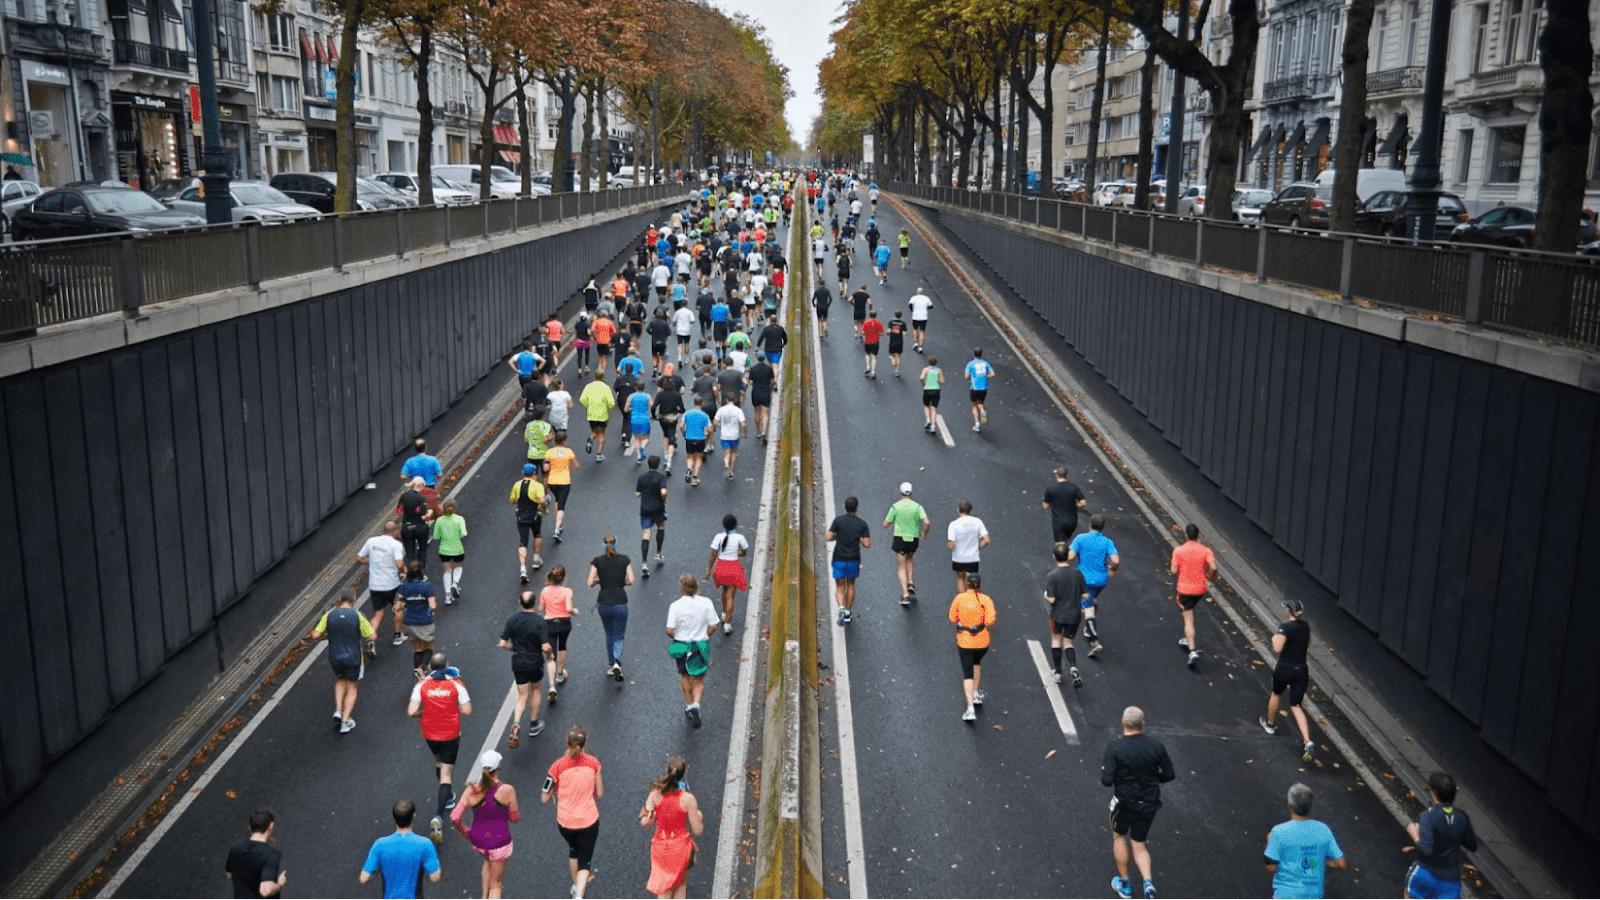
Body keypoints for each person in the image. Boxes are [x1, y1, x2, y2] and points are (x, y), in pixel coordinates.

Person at [1102, 706, 1175, 900]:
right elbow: (1169, 774)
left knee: (1119, 837)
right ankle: (1148, 883)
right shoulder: (1156, 746)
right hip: (1149, 802)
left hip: (1124, 803)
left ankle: (1125, 885)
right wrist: (1150, 780)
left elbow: (1106, 780)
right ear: (1142, 724)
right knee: (1139, 843)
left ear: (1123, 722)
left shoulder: (1115, 748)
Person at [408, 652, 473, 843]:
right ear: (446, 666)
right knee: (447, 774)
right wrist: (453, 708)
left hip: (429, 733)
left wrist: (424, 714)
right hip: (450, 733)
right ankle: (438, 814)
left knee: (438, 760)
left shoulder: (421, 685)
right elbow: (467, 710)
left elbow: (411, 711)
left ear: (429, 667)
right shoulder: (455, 685)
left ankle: (449, 796)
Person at [543, 726, 604, 899]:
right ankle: (579, 895)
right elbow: (599, 793)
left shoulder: (556, 767)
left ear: (567, 744)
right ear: (584, 745)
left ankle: (576, 886)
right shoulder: (593, 763)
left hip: (565, 822)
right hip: (588, 821)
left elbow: (544, 797)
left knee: (573, 851)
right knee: (584, 862)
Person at [451, 750, 520, 900]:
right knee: (496, 884)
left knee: (488, 861)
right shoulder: (507, 790)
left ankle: (484, 897)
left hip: (479, 842)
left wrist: (465, 832)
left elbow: (455, 817)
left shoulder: (472, 790)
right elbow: (515, 818)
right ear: (498, 769)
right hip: (499, 843)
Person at [1263, 783, 1346, 900]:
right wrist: (1320, 861)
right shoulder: (1323, 830)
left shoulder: (1278, 832)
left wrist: (1270, 842)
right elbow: (1341, 863)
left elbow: (1270, 867)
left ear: (1290, 805)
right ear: (1310, 806)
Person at [1259, 598, 1317, 762]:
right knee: (1296, 705)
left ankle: (1270, 725)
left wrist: (1274, 639)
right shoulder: (1305, 626)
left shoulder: (1284, 628)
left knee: (1276, 694)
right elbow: (1308, 642)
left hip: (1285, 668)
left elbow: (1277, 648)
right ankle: (1307, 741)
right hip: (1301, 670)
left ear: (1288, 612)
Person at [1405, 772, 1478, 900]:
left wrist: (1415, 835)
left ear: (1433, 794)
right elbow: (1472, 845)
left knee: (1409, 895)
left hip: (1426, 874)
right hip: (1450, 881)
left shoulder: (1428, 816)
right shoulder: (1462, 818)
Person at [640, 757, 704, 900]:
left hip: (661, 849)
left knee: (664, 890)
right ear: (683, 774)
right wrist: (698, 815)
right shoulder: (688, 799)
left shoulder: (655, 794)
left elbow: (645, 821)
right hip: (681, 850)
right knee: (681, 885)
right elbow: (698, 830)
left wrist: (649, 812)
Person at [310, 592, 372, 733]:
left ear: (339, 600)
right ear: (354, 599)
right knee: (352, 686)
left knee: (340, 679)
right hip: (353, 657)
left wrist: (329, 635)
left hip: (335, 657)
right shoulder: (357, 615)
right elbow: (372, 635)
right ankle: (345, 720)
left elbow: (315, 635)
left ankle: (338, 709)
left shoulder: (330, 614)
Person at [361, 798, 442, 899]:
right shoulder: (425, 844)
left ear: (394, 817)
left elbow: (364, 878)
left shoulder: (380, 845)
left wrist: (378, 870)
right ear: (414, 816)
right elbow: (435, 878)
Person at [666, 574, 720, 728]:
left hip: (682, 644)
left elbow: (669, 630)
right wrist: (705, 635)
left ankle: (689, 705)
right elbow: (714, 625)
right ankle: (696, 704)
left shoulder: (675, 606)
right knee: (698, 679)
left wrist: (676, 636)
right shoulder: (707, 602)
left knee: (684, 675)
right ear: (696, 587)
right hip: (700, 644)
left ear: (682, 588)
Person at [499, 590, 548, 749]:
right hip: (535, 662)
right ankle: (534, 724)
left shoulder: (512, 620)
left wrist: (516, 649)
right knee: (536, 690)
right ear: (534, 603)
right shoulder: (539, 622)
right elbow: (546, 646)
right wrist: (550, 654)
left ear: (520, 602)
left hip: (519, 662)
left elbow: (502, 643)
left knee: (522, 696)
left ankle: (516, 722)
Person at [1069, 515, 1120, 658]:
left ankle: (1094, 641)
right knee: (1091, 600)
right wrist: (1113, 568)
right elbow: (1115, 560)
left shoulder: (1080, 538)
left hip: (1084, 579)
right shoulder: (1107, 542)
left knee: (1088, 607)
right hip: (1101, 580)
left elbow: (1071, 556)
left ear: (1090, 525)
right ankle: (1088, 626)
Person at [948, 573, 997, 722]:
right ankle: (975, 693)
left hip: (965, 642)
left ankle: (970, 709)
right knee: (977, 663)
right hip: (982, 642)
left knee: (967, 673)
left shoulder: (960, 599)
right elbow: (990, 620)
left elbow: (952, 618)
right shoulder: (985, 600)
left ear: (968, 584)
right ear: (980, 585)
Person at [589, 534, 636, 682]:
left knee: (609, 633)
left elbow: (590, 582)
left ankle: (611, 664)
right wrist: (619, 582)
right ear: (616, 544)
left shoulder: (597, 561)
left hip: (604, 603)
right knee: (619, 635)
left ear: (603, 546)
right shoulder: (625, 560)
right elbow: (631, 580)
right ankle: (617, 661)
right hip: (620, 602)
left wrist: (600, 581)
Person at [1170, 524, 1217, 669]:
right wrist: (1208, 576)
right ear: (1198, 536)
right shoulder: (1206, 550)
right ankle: (1187, 638)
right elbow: (1214, 567)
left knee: (1188, 618)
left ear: (1186, 535)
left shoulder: (1179, 550)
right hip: (1200, 589)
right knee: (1189, 612)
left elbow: (1173, 570)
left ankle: (1192, 651)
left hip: (1184, 590)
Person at [357, 521, 407, 654]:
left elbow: (358, 558)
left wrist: (372, 562)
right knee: (398, 608)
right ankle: (397, 636)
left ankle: (370, 639)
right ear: (395, 531)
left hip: (375, 585)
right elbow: (399, 564)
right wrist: (405, 570)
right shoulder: (396, 545)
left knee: (379, 612)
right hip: (392, 584)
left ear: (383, 530)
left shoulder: (371, 541)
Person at [1044, 542, 1088, 687]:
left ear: (1054, 557)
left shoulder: (1052, 576)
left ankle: (1057, 672)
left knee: (1056, 640)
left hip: (1057, 615)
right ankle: (1073, 666)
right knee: (1068, 642)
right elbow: (1086, 595)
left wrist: (1045, 595)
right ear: (1068, 557)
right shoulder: (1077, 573)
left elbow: (1051, 599)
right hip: (1074, 616)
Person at [826, 496, 872, 625]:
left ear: (845, 507)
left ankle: (840, 607)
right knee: (851, 584)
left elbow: (828, 537)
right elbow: (867, 544)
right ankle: (847, 612)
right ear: (856, 508)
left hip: (839, 558)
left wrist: (838, 536)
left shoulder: (838, 521)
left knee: (840, 585)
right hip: (853, 559)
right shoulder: (862, 524)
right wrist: (860, 539)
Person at [883, 482, 931, 606]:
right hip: (913, 538)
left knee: (901, 566)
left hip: (900, 538)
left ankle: (905, 595)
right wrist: (924, 533)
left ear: (901, 492)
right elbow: (926, 522)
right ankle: (911, 582)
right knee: (910, 558)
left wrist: (890, 523)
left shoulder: (896, 506)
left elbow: (886, 523)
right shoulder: (917, 507)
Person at [226, 809, 285, 899]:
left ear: (250, 827)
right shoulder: (271, 854)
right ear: (271, 827)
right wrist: (280, 884)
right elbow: (265, 891)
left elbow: (229, 873)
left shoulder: (236, 847)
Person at [705, 513, 749, 635]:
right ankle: (727, 624)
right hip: (733, 568)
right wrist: (738, 554)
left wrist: (709, 568)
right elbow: (744, 553)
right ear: (735, 525)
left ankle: (724, 614)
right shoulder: (740, 538)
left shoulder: (718, 537)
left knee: (724, 591)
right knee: (731, 595)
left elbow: (714, 554)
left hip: (721, 568)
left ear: (724, 525)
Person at [541, 566, 576, 704]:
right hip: (564, 623)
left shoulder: (545, 590)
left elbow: (540, 608)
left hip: (549, 624)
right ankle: (560, 674)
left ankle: (551, 686)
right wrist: (575, 611)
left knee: (551, 655)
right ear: (563, 578)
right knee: (562, 646)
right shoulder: (567, 591)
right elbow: (568, 608)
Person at [397, 561, 438, 680]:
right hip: (424, 621)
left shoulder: (404, 587)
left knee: (417, 649)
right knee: (429, 647)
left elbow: (398, 606)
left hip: (409, 622)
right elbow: (433, 605)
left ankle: (418, 674)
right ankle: (421, 669)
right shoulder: (427, 586)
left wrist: (407, 604)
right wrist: (431, 611)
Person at [509, 464, 548, 583]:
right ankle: (536, 558)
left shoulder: (517, 485)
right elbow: (541, 500)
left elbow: (512, 500)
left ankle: (523, 569)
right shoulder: (538, 486)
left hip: (521, 516)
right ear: (535, 474)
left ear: (523, 473)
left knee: (523, 541)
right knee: (537, 534)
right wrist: (544, 506)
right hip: (535, 515)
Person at [946, 500, 991, 594]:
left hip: (959, 558)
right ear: (971, 511)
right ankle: (972, 601)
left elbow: (951, 545)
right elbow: (986, 539)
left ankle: (962, 601)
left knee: (960, 578)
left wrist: (951, 547)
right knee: (971, 580)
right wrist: (980, 545)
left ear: (958, 510)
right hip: (973, 558)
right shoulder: (977, 522)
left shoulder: (953, 524)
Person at [637, 455, 670, 574]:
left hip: (645, 509)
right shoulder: (660, 477)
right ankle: (658, 553)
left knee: (646, 534)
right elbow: (663, 491)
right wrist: (664, 499)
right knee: (660, 527)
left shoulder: (642, 478)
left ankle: (644, 563)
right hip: (658, 508)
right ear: (658, 465)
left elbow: (637, 493)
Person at [432, 498, 467, 606]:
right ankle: (455, 584)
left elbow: (435, 536)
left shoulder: (439, 520)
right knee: (458, 566)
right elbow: (464, 533)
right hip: (457, 548)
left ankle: (448, 595)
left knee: (447, 570)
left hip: (444, 549)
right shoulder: (459, 519)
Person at [545, 431, 578, 542]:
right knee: (562, 506)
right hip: (564, 481)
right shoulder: (569, 452)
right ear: (564, 441)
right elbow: (576, 465)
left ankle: (560, 524)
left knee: (558, 500)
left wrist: (553, 465)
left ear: (555, 440)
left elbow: (545, 468)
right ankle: (556, 530)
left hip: (552, 482)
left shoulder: (549, 452)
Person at [652, 368, 685, 475]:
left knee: (665, 435)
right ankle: (669, 462)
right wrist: (678, 411)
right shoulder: (676, 395)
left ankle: (666, 454)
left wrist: (654, 416)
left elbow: (653, 406)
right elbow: (682, 408)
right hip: (673, 418)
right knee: (671, 437)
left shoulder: (660, 395)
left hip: (662, 418)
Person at [1042, 467, 1088, 545]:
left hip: (1059, 522)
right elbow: (1083, 503)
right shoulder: (1074, 487)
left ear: (1057, 475)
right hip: (1072, 522)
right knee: (1065, 541)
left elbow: (1045, 506)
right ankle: (1065, 553)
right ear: (1067, 475)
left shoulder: (1051, 489)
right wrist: (1076, 505)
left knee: (1060, 545)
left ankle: (1063, 555)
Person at [579, 372, 616, 462]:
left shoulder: (588, 386)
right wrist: (609, 409)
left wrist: (588, 406)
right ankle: (599, 454)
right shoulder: (605, 387)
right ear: (603, 377)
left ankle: (590, 440)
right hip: (602, 414)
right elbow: (611, 403)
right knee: (602, 433)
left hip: (591, 414)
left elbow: (582, 399)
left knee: (594, 430)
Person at [397, 477, 433, 567]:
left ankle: (407, 573)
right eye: (423, 486)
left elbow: (399, 511)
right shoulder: (421, 498)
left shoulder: (403, 496)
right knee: (422, 549)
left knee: (409, 553)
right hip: (420, 527)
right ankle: (419, 574)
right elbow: (424, 516)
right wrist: (430, 513)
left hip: (407, 527)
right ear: (420, 486)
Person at [714, 393, 747, 480]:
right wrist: (744, 433)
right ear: (734, 400)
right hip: (734, 435)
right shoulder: (738, 410)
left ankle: (726, 464)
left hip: (724, 435)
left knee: (726, 452)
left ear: (727, 400)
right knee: (733, 453)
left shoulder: (721, 409)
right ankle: (731, 471)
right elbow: (743, 424)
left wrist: (720, 426)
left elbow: (715, 422)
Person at [682, 395, 712, 486]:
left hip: (689, 438)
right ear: (702, 404)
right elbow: (710, 429)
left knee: (690, 456)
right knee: (699, 457)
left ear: (694, 403)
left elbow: (681, 425)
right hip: (700, 439)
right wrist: (707, 436)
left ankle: (689, 469)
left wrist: (684, 433)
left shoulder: (687, 413)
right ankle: (694, 478)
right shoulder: (705, 416)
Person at [965, 348, 994, 432]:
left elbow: (966, 376)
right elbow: (992, 374)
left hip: (974, 387)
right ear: (981, 354)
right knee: (981, 402)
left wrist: (971, 377)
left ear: (974, 354)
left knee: (974, 405)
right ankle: (982, 410)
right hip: (983, 388)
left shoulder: (970, 364)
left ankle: (977, 424)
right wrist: (986, 376)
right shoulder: (985, 363)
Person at [747, 354, 775, 440]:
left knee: (757, 412)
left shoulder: (753, 369)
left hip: (756, 392)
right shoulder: (769, 368)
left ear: (757, 358)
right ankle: (764, 431)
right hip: (766, 392)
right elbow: (773, 381)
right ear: (764, 359)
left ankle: (758, 431)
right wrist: (772, 387)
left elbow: (750, 382)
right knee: (765, 413)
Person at [918, 356, 945, 434]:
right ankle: (933, 426)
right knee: (933, 408)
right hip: (936, 390)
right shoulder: (939, 370)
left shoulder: (926, 370)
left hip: (927, 389)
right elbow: (942, 381)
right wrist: (938, 380)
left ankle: (928, 420)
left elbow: (921, 378)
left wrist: (923, 385)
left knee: (926, 406)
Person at [907, 287, 933, 352]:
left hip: (915, 316)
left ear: (917, 292)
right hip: (923, 317)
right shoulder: (926, 298)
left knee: (915, 329)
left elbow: (910, 304)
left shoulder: (914, 298)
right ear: (923, 292)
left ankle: (915, 343)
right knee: (922, 331)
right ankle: (920, 346)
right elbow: (931, 306)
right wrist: (925, 307)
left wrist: (912, 310)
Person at [861, 310, 884, 378]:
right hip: (875, 342)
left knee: (867, 354)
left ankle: (868, 366)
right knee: (874, 357)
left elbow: (863, 332)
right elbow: (881, 333)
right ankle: (873, 371)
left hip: (867, 341)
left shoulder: (866, 322)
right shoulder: (879, 323)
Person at [885, 311, 907, 376]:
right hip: (899, 341)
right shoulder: (903, 323)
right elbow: (905, 333)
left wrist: (891, 332)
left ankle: (892, 360)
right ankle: (897, 370)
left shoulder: (891, 322)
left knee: (891, 354)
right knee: (898, 356)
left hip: (892, 341)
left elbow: (888, 332)